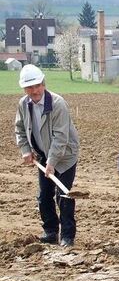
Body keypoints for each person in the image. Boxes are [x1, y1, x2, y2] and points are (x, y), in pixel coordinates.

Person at [14, 64, 80, 247]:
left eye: (37, 86)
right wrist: (26, 150)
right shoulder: (23, 104)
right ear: (24, 88)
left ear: (43, 84)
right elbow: (19, 129)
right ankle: (51, 231)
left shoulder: (58, 104)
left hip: (65, 155)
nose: (34, 91)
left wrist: (52, 162)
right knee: (44, 196)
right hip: (43, 154)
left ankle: (67, 236)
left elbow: (61, 137)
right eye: (29, 87)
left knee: (64, 195)